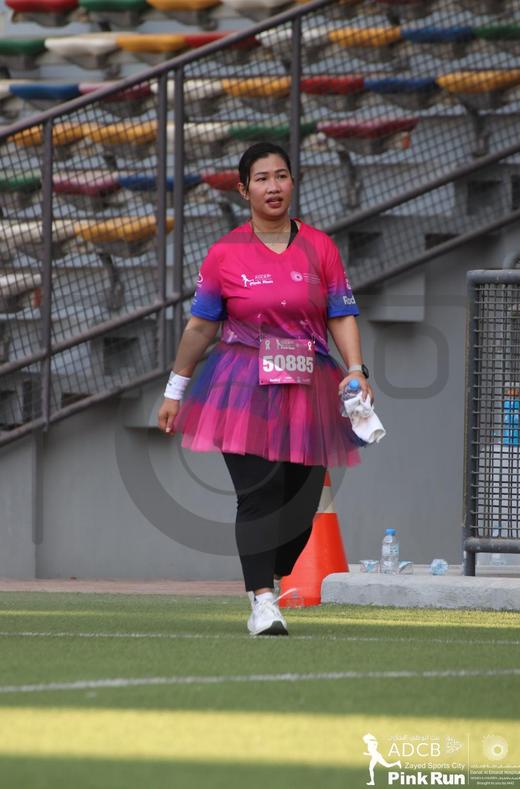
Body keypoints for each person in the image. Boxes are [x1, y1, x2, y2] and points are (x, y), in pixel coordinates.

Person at [158, 141, 374, 637]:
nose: (273, 187)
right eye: (261, 179)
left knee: (299, 508)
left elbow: (340, 313)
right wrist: (175, 388)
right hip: (242, 385)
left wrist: (356, 369)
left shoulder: (320, 247)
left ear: (293, 182)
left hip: (309, 384)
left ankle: (270, 576)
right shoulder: (225, 253)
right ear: (243, 190)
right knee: (259, 493)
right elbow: (200, 327)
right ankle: (261, 601)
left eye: (281, 176)